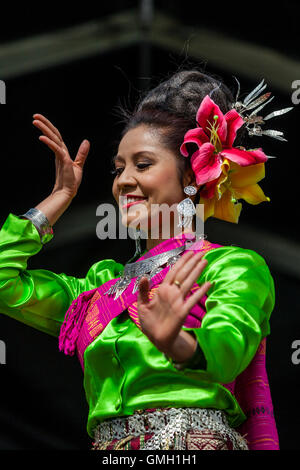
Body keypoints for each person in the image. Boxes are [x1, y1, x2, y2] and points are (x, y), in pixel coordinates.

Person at [0, 69, 282, 451]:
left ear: (191, 176)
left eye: (143, 164)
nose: (123, 181)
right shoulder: (98, 289)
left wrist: (180, 344)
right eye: (118, 168)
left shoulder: (229, 267)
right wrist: (59, 197)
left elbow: (229, 347)